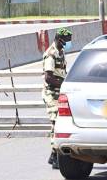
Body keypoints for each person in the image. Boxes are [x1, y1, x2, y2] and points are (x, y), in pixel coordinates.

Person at [42, 27, 72, 169]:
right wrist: (63, 85)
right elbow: (48, 78)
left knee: (58, 123)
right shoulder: (51, 54)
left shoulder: (61, 52)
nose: (68, 42)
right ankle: (55, 157)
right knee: (55, 123)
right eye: (66, 40)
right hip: (51, 93)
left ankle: (53, 155)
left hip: (58, 92)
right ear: (60, 39)